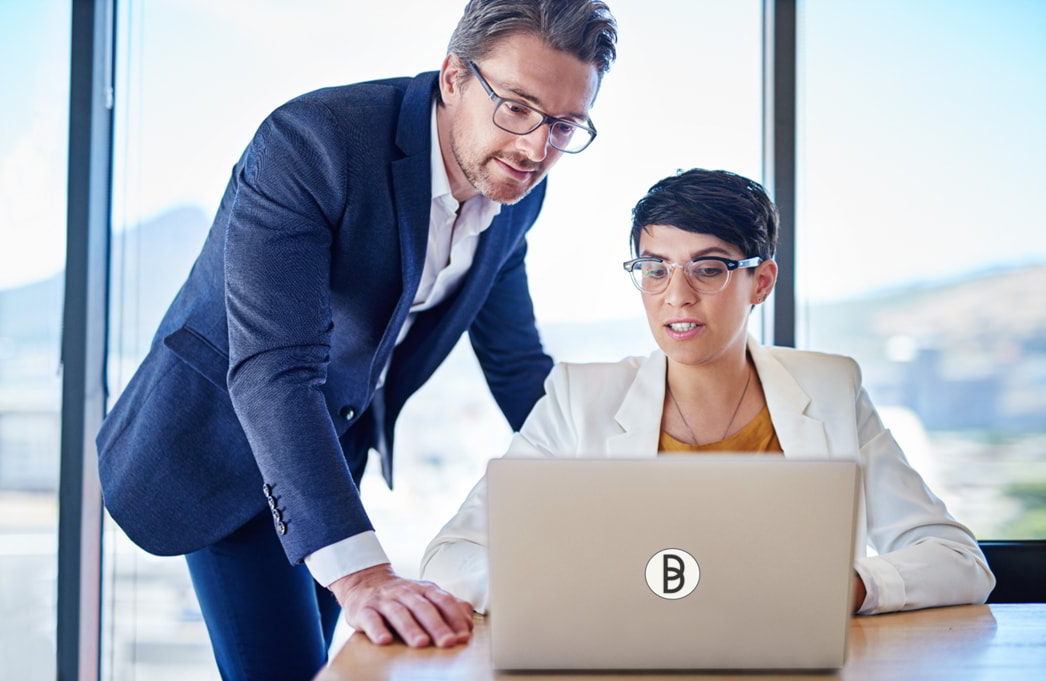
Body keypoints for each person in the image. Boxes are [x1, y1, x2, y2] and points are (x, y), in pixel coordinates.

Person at [95, 1, 618, 678]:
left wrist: (617, 488)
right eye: (516, 107)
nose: (535, 149)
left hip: (330, 453)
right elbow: (275, 370)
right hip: (228, 443)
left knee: (326, 664)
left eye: (564, 124)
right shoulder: (314, 141)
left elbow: (516, 362)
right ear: (454, 76)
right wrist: (367, 574)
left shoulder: (518, 193)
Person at [420, 168, 995, 616]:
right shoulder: (579, 399)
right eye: (655, 268)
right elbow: (451, 559)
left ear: (760, 282)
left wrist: (845, 589)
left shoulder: (831, 389)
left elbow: (958, 560)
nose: (677, 296)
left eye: (709, 268)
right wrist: (587, 594)